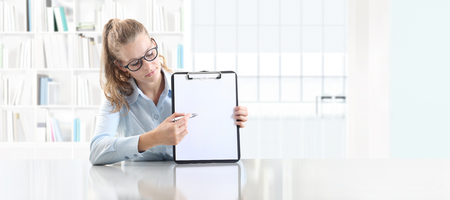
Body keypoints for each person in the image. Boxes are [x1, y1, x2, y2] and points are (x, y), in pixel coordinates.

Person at [89, 19, 248, 165]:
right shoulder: (116, 96)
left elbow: (210, 139)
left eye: (150, 54)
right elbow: (97, 151)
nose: (149, 66)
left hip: (184, 185)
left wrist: (228, 121)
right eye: (136, 63)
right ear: (121, 66)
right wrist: (152, 139)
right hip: (136, 187)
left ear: (154, 43)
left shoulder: (187, 86)